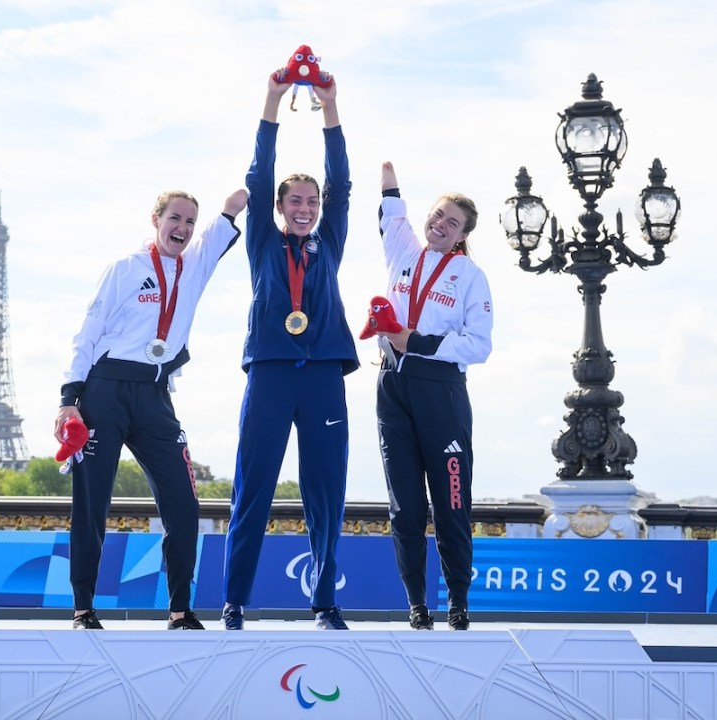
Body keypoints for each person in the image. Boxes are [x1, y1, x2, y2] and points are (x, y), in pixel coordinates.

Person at [56, 188, 248, 630]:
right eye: (174, 219)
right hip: (105, 391)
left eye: (189, 223)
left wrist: (246, 190)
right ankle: (84, 609)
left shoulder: (197, 264)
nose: (181, 229)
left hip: (156, 395)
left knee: (184, 503)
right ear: (156, 220)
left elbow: (233, 211)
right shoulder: (124, 269)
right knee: (92, 503)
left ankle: (180, 611)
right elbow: (87, 334)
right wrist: (69, 402)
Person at [221, 68, 358, 631]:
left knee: (326, 493)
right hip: (272, 373)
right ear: (278, 207)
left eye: (311, 200)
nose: (304, 206)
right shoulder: (262, 242)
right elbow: (258, 175)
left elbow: (342, 182)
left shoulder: (329, 240)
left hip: (324, 373)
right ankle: (234, 601)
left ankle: (325, 603)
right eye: (293, 200)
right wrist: (272, 100)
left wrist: (330, 109)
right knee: (252, 487)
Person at [370, 161, 493, 631]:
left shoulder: (470, 276)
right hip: (393, 386)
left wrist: (416, 341)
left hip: (440, 391)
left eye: (452, 223)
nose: (439, 225)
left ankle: (458, 602)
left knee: (451, 502)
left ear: (462, 235)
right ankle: (417, 605)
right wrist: (389, 181)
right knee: (404, 506)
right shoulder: (403, 251)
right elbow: (390, 215)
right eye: (438, 215)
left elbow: (480, 345)